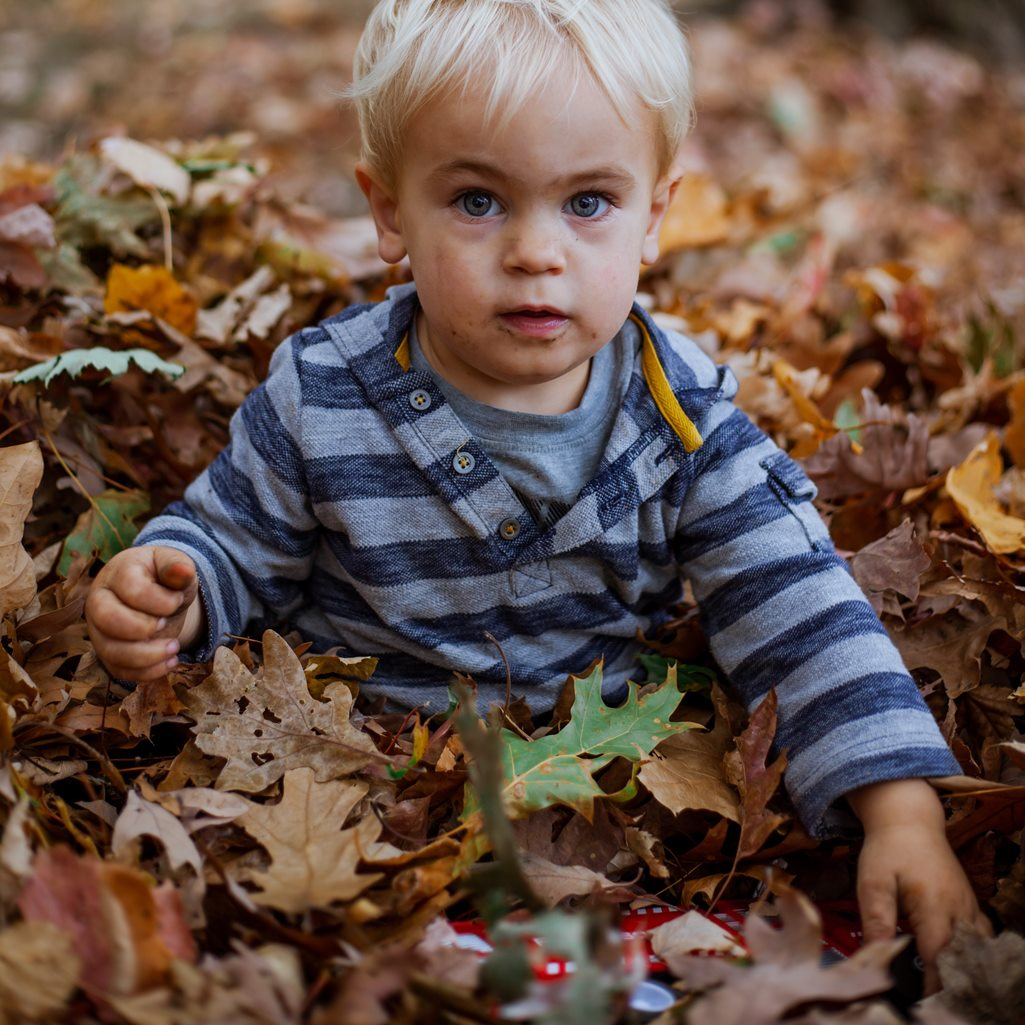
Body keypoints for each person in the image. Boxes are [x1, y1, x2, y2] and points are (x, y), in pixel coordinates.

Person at [84, 0, 989, 989]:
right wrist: (177, 585)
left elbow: (795, 601)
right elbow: (234, 537)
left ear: (655, 213)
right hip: (357, 794)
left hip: (598, 808)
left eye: (587, 202)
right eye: (477, 200)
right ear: (388, 209)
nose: (534, 250)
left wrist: (895, 805)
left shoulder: (680, 418)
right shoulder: (323, 395)